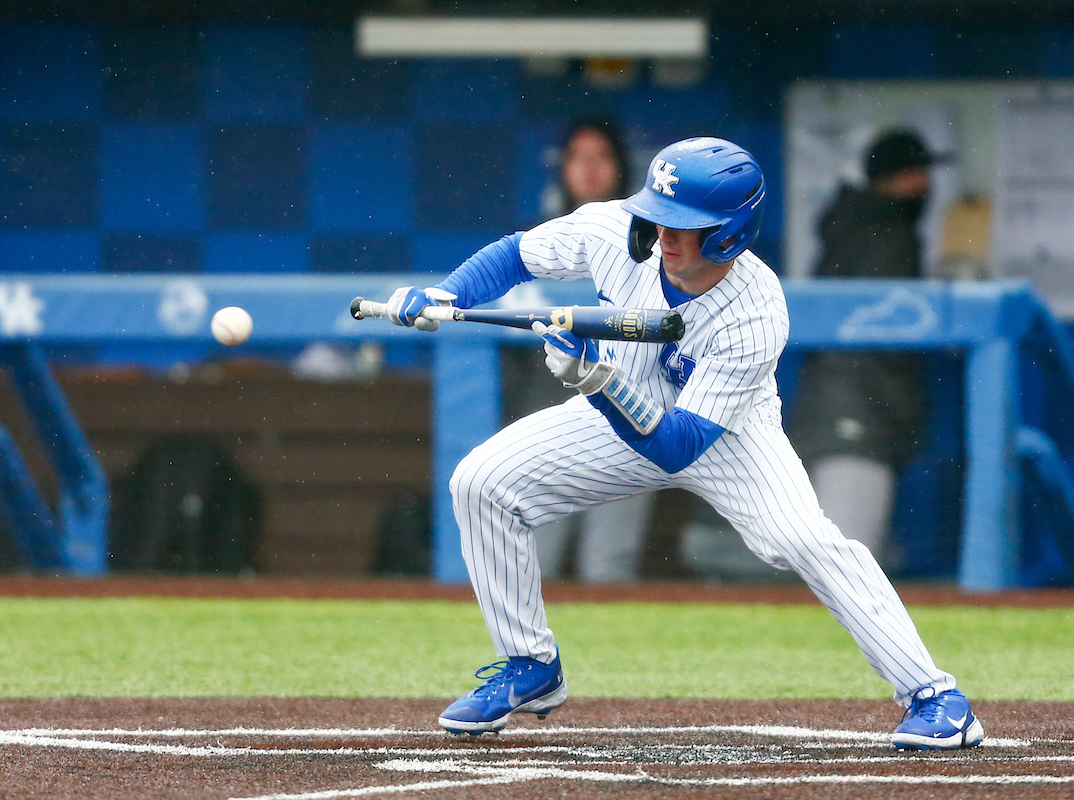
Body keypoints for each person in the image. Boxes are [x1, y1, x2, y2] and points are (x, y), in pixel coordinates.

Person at [383, 136, 984, 751]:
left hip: (727, 437)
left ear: (729, 232)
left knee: (805, 541)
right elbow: (517, 255)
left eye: (683, 225)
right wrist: (446, 294)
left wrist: (596, 377)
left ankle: (935, 696)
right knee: (481, 483)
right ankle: (529, 666)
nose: (662, 235)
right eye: (658, 217)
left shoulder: (757, 308)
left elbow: (679, 446)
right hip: (614, 409)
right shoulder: (617, 228)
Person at [505, 117, 657, 583]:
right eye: (578, 158)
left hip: (626, 416)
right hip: (545, 420)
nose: (590, 169)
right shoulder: (535, 241)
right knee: (533, 566)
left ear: (621, 166)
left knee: (608, 568)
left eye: (602, 157)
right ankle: (532, 658)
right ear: (563, 168)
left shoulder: (654, 242)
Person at [787, 129, 941, 571]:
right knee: (843, 572)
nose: (924, 185)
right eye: (916, 174)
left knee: (842, 567)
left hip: (837, 412)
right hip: (856, 420)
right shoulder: (887, 233)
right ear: (900, 178)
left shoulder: (852, 220)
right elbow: (887, 341)